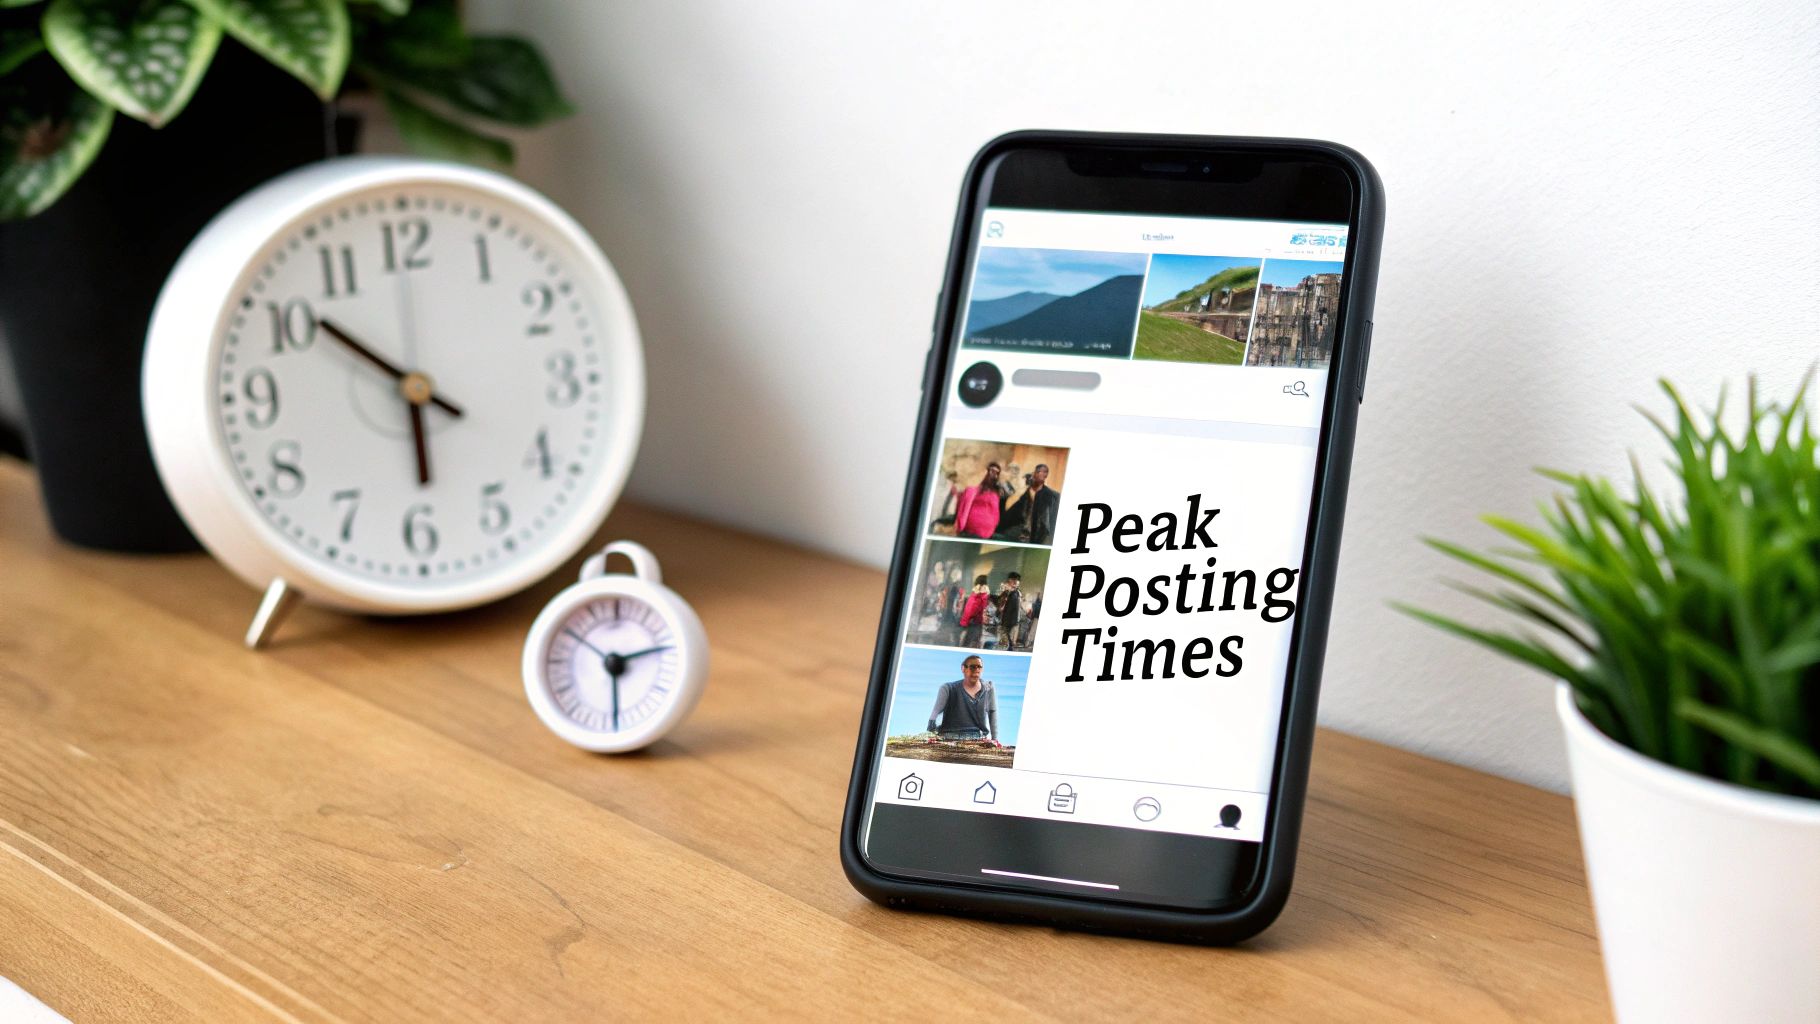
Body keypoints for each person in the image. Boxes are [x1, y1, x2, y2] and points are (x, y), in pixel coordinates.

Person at [926, 654, 998, 743]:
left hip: (977, 736)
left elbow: (992, 712)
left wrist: (995, 739)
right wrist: (931, 732)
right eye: (972, 667)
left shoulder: (988, 687)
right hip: (949, 735)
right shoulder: (948, 688)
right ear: (963, 668)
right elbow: (935, 713)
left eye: (979, 667)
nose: (976, 670)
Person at [998, 463, 1060, 545]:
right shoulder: (1023, 494)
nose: (1033, 476)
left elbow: (1050, 524)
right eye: (1034, 473)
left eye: (1038, 472)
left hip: (1037, 540)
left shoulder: (1053, 496)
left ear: (1045, 475)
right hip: (1016, 535)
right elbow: (1007, 517)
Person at [951, 463, 1004, 540]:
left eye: (997, 473)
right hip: (972, 530)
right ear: (986, 471)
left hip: (987, 532)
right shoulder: (974, 488)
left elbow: (995, 510)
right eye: (992, 471)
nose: (994, 474)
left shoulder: (996, 492)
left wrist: (995, 522)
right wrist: (960, 526)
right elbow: (965, 505)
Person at [957, 574, 990, 648]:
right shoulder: (979, 597)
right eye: (986, 585)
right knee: (971, 643)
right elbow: (972, 610)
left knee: (969, 642)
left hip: (972, 622)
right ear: (983, 585)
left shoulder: (975, 595)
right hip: (974, 623)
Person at [993, 572, 1024, 652]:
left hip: (1011, 622)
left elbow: (1016, 609)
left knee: (1006, 643)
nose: (1015, 582)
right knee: (1006, 643)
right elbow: (999, 603)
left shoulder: (1016, 593)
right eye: (1013, 580)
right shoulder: (1007, 592)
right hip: (1005, 622)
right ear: (1009, 580)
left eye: (1017, 580)